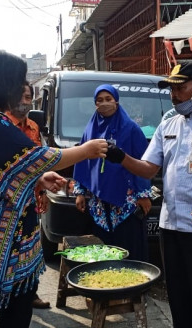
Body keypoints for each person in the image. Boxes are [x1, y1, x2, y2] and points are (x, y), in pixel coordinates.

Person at [0, 49, 107, 328]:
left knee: (10, 310)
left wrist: (37, 178)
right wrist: (86, 150)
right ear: (4, 82)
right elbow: (34, 157)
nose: (21, 89)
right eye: (19, 81)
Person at [105, 61, 192, 328]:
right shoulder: (167, 125)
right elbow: (147, 170)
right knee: (178, 295)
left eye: (180, 88)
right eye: (171, 89)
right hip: (170, 226)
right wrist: (120, 157)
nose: (174, 95)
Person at [73, 84, 152, 261]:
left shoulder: (131, 128)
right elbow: (82, 161)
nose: (104, 103)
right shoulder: (90, 130)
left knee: (128, 247)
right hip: (98, 202)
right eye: (99, 100)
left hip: (126, 201)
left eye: (108, 99)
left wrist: (143, 194)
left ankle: (131, 284)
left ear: (116, 101)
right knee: (104, 248)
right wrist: (79, 192)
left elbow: (143, 161)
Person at [5, 81, 50, 309]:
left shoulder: (33, 127)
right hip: (7, 202)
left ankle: (30, 293)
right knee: (8, 250)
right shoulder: (1, 125)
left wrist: (41, 191)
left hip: (30, 197)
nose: (24, 101)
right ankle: (7, 294)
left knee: (32, 247)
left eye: (28, 96)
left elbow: (39, 163)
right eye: (20, 96)